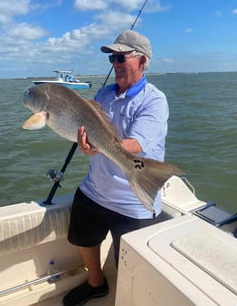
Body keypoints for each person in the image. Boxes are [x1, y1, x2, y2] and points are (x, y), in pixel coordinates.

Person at [63, 29, 169, 305]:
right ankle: (96, 284)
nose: (115, 64)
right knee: (83, 239)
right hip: (95, 190)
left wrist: (101, 145)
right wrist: (86, 142)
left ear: (142, 61)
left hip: (133, 198)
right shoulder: (104, 93)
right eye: (112, 58)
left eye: (121, 58)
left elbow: (136, 144)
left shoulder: (154, 100)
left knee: (131, 265)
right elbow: (90, 129)